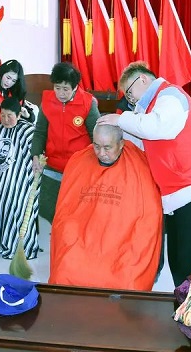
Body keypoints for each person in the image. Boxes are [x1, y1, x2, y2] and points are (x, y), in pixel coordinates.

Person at [97, 61, 191, 286]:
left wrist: (120, 119)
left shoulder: (170, 95)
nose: (131, 100)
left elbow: (156, 127)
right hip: (175, 194)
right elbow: (140, 141)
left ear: (143, 79)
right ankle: (184, 303)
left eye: (130, 93)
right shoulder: (147, 110)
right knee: (178, 262)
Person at [49, 124, 162, 290]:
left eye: (107, 147)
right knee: (65, 271)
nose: (101, 153)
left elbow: (148, 217)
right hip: (81, 240)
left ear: (121, 144)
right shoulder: (79, 162)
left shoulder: (140, 166)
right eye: (96, 146)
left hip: (122, 244)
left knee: (126, 281)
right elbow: (66, 210)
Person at [31, 62, 99, 223]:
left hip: (79, 167)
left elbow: (96, 135)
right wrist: (35, 155)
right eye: (57, 88)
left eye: (66, 89)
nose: (61, 93)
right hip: (53, 166)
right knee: (48, 208)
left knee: (77, 211)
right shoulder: (47, 101)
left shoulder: (88, 103)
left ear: (75, 87)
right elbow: (40, 132)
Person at [0, 98, 38, 260]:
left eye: (9, 116)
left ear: (19, 115)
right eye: (2, 115)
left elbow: (34, 158)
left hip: (18, 179)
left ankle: (13, 244)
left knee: (14, 199)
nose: (5, 119)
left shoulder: (28, 131)